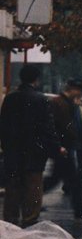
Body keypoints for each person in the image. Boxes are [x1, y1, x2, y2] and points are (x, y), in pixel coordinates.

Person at [0, 65, 62, 227]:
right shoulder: (40, 99)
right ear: (36, 79)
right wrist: (56, 148)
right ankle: (29, 221)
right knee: (33, 190)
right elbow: (48, 128)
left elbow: (3, 126)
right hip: (34, 154)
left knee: (12, 190)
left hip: (13, 153)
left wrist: (6, 148)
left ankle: (10, 222)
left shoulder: (10, 98)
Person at [46, 78, 82, 221]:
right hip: (64, 149)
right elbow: (62, 127)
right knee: (75, 182)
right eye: (79, 91)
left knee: (55, 179)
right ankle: (81, 213)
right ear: (72, 89)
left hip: (70, 148)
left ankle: (28, 198)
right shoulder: (58, 103)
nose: (81, 95)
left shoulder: (70, 104)